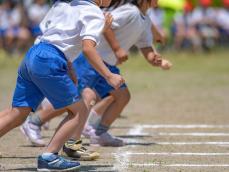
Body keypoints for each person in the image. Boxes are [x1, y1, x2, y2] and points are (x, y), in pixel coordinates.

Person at [20, 0, 171, 156]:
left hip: (108, 64)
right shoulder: (130, 11)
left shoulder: (145, 20)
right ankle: (35, 122)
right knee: (77, 100)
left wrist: (154, 58)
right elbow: (106, 24)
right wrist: (117, 48)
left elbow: (145, 46)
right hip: (92, 60)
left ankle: (98, 133)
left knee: (122, 96)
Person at [0, 0, 124, 171]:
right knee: (79, 110)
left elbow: (59, 37)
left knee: (18, 113)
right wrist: (109, 75)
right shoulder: (94, 12)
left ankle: (49, 155)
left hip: (33, 55)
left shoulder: (65, 4)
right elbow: (88, 48)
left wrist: (70, 66)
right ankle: (49, 157)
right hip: (50, 60)